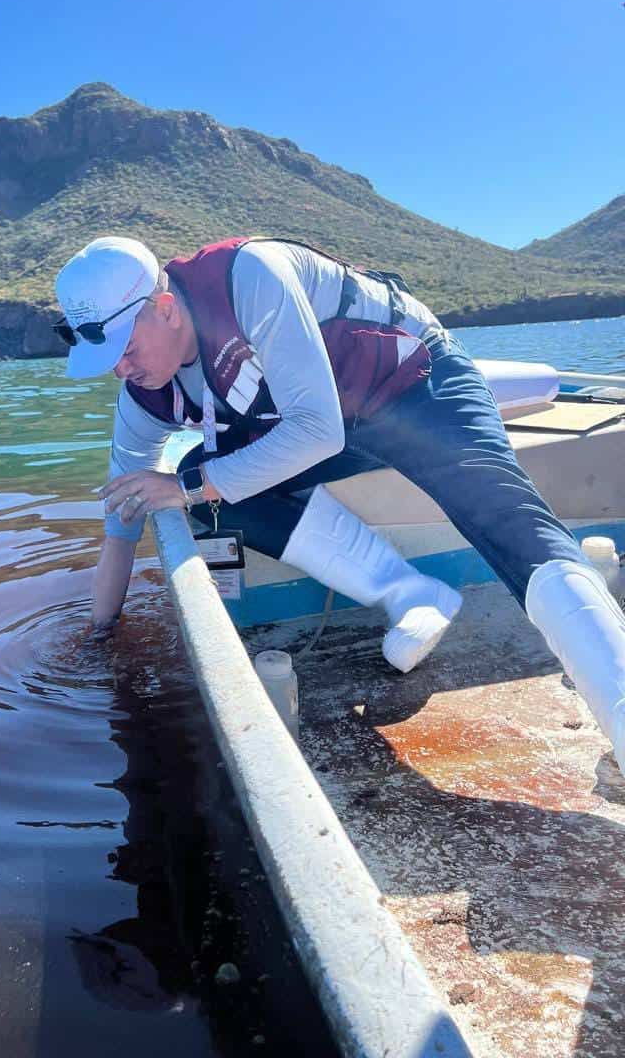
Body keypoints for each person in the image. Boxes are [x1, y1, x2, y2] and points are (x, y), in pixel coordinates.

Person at [52, 235, 625, 776]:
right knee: (200, 491)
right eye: (108, 363)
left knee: (510, 522)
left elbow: (316, 430)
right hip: (334, 426)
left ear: (166, 307)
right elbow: (121, 520)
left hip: (416, 387)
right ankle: (410, 592)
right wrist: (100, 635)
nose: (122, 371)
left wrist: (196, 484)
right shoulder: (144, 396)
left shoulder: (250, 277)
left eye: (126, 349)